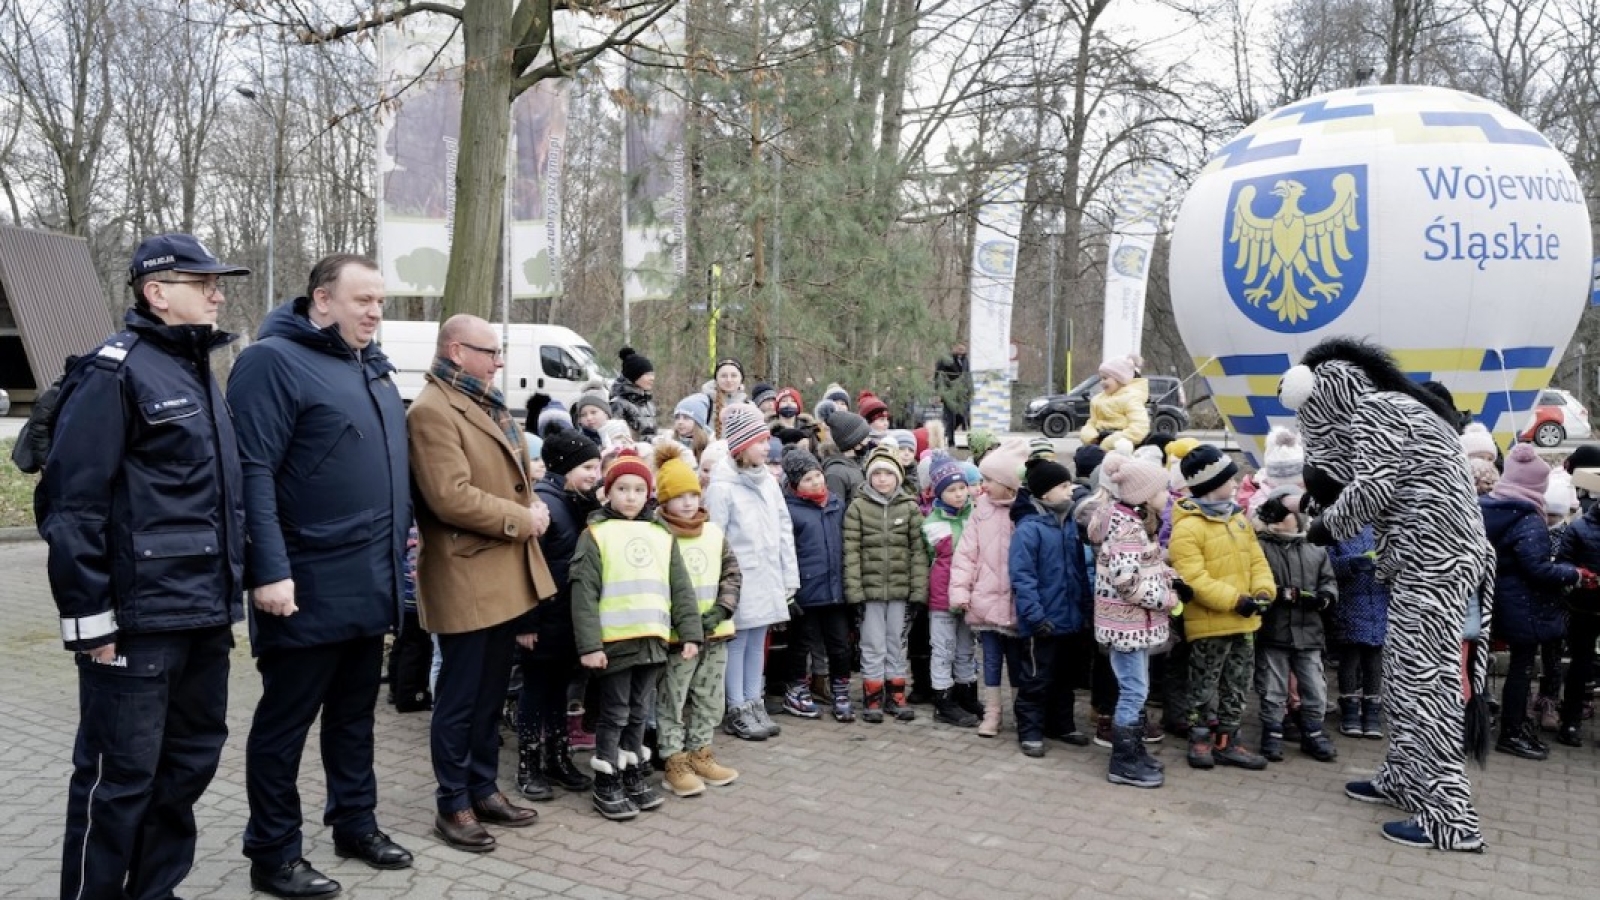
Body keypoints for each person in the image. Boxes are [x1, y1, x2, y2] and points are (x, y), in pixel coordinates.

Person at [38, 234, 248, 900]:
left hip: (202, 616)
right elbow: (73, 505)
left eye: (219, 282)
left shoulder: (194, 371)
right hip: (135, 623)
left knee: (186, 768)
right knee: (119, 779)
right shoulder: (114, 371)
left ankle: (154, 891)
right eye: (203, 282)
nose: (218, 292)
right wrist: (91, 622)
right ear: (158, 292)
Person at [229, 255, 412, 896]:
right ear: (322, 300)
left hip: (370, 581)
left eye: (381, 302)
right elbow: (251, 472)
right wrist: (269, 572)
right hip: (303, 585)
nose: (375, 312)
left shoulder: (373, 370)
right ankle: (273, 853)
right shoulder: (272, 362)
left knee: (354, 717)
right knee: (286, 723)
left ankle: (354, 823)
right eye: (363, 300)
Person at [1278, 337, 1492, 851]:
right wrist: (1309, 500)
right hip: (1427, 564)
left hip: (1436, 566)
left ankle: (1450, 817)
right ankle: (1403, 776)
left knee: (1425, 687)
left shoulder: (1378, 410)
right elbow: (1379, 483)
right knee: (1402, 680)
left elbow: (1372, 490)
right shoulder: (1401, 410)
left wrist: (1322, 528)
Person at [407, 315, 556, 851]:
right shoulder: (431, 410)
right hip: (467, 572)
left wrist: (528, 501)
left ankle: (483, 786)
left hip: (501, 571)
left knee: (491, 693)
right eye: (490, 351)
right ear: (455, 350)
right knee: (460, 697)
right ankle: (453, 804)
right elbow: (449, 496)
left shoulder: (482, 400)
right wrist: (521, 518)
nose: (499, 361)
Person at [569, 449, 704, 820]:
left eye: (638, 489)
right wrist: (590, 645)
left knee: (639, 712)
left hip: (653, 641)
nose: (630, 496)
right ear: (608, 492)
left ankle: (631, 773)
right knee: (614, 713)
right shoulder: (595, 535)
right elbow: (583, 594)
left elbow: (681, 588)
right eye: (622, 488)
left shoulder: (661, 535)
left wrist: (690, 633)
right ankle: (606, 778)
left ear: (649, 494)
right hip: (615, 644)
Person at [1169, 444, 1274, 773]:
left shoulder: (1238, 520)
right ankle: (1200, 739)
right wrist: (1235, 600)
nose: (1236, 483)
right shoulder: (1187, 527)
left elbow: (1256, 560)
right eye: (1230, 479)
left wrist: (1262, 590)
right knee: (1203, 685)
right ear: (1213, 484)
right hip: (1211, 623)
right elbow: (1193, 578)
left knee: (1237, 684)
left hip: (1245, 622)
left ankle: (1229, 741)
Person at [1479, 444, 1585, 761]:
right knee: (1521, 669)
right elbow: (1537, 567)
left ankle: (1490, 724)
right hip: (1521, 603)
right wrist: (1573, 573)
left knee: (1481, 666)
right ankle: (1512, 732)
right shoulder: (1528, 518)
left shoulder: (1486, 506)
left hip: (1488, 597)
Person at [515, 429, 602, 802]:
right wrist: (526, 622)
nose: (595, 473)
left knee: (559, 690)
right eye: (587, 466)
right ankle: (529, 763)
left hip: (567, 618)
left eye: (598, 465)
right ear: (565, 466)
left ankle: (558, 756)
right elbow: (525, 567)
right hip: (543, 618)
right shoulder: (546, 505)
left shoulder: (574, 502)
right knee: (535, 690)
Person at [652, 443, 744, 797]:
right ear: (664, 500)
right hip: (678, 637)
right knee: (673, 699)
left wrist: (722, 609)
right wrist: (685, 622)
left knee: (709, 696)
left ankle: (701, 752)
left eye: (693, 493)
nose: (689, 503)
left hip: (716, 632)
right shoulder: (657, 535)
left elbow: (732, 574)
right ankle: (674, 760)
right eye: (679, 496)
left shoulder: (714, 533)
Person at [706, 403, 799, 740]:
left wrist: (789, 577)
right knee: (737, 640)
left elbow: (783, 529)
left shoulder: (769, 482)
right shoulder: (722, 487)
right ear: (742, 446)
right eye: (760, 441)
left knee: (758, 638)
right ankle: (736, 706)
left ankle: (753, 699)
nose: (766, 446)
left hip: (767, 576)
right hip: (738, 579)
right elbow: (714, 538)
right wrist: (719, 585)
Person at [1089, 453, 1180, 788]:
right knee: (1133, 691)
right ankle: (1123, 761)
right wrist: (1166, 597)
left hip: (1128, 625)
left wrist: (1164, 573)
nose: (1166, 495)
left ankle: (1134, 751)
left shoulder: (1125, 521)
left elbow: (1139, 568)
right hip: (1127, 625)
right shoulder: (1127, 529)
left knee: (1135, 689)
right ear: (1142, 494)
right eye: (1160, 490)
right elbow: (1127, 582)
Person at [1007, 457, 1094, 757]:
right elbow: (1023, 576)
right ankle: (1030, 730)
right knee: (1036, 677)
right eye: (1063, 486)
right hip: (1041, 621)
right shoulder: (1029, 529)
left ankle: (1062, 724)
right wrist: (1035, 616)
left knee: (1064, 677)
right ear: (1045, 494)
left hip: (1070, 619)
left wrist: (1085, 608)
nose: (1071, 491)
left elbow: (1079, 571)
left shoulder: (1069, 523)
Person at [1252, 487, 1339, 764]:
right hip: (1274, 630)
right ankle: (1272, 732)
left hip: (1309, 632)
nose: (1279, 519)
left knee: (1314, 685)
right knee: (1273, 686)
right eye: (1275, 514)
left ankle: (1313, 732)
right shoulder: (1261, 546)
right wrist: (1276, 593)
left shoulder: (1315, 548)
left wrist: (1325, 597)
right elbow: (1255, 579)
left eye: (1286, 514)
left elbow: (1328, 580)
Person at [950, 439, 1029, 737]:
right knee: (991, 661)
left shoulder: (1024, 510)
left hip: (1015, 601)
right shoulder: (980, 508)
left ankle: (1022, 713)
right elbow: (966, 553)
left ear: (1008, 483)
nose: (982, 486)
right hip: (985, 600)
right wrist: (960, 591)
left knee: (1019, 663)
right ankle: (992, 713)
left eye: (988, 480)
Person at [846, 446, 928, 723]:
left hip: (900, 591)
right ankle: (872, 695)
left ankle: (896, 694)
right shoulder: (857, 507)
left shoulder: (909, 507)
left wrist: (918, 591)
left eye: (888, 474)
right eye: (877, 473)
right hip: (869, 592)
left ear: (898, 476)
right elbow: (851, 551)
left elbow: (918, 553)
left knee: (897, 642)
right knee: (872, 644)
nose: (882, 479)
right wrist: (854, 592)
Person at [781, 446, 854, 722]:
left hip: (835, 589)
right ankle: (797, 688)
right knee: (802, 643)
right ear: (795, 483)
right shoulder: (790, 510)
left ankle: (841, 689)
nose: (816, 482)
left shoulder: (836, 504)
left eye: (817, 475)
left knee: (839, 644)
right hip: (806, 591)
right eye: (808, 479)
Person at [923, 454, 980, 727]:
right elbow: (925, 558)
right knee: (943, 648)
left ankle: (967, 694)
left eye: (961, 488)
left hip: (970, 596)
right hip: (942, 598)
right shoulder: (931, 523)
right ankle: (943, 701)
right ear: (939, 493)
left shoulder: (976, 517)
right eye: (951, 490)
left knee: (966, 647)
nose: (958, 494)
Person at [1328, 526, 1390, 739]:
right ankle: (1350, 708)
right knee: (1350, 657)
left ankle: (1372, 708)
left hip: (1380, 602)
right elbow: (1327, 564)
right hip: (1350, 602)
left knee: (1374, 658)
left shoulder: (1384, 528)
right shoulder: (1338, 530)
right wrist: (1351, 564)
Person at [1079, 354, 1149, 449]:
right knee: (1082, 455)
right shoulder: (1098, 399)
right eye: (1101, 378)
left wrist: (1110, 443)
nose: (1101, 382)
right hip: (1098, 440)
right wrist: (1089, 436)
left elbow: (1139, 427)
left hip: (1121, 445)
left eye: (1105, 378)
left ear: (1120, 379)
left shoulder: (1131, 398)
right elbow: (1092, 422)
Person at [820, 409, 873, 503]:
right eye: (865, 437)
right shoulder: (835, 473)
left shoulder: (857, 464)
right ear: (854, 441)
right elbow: (835, 511)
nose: (869, 440)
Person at [610, 347, 658, 438]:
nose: (652, 378)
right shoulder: (618, 404)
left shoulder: (647, 402)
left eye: (652, 374)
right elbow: (617, 438)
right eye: (647, 374)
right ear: (634, 376)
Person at [934, 341, 971, 446]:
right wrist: (938, 393)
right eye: (959, 349)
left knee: (961, 416)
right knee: (949, 417)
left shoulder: (965, 360)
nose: (961, 352)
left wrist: (968, 391)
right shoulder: (945, 360)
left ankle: (946, 432)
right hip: (948, 393)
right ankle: (950, 440)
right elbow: (938, 376)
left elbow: (967, 375)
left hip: (962, 394)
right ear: (954, 348)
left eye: (963, 350)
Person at [707, 358, 746, 438]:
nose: (729, 380)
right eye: (723, 376)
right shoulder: (705, 403)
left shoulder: (749, 406)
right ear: (716, 379)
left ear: (741, 379)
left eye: (734, 376)